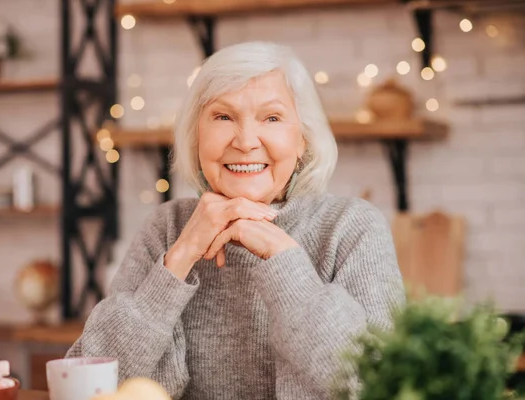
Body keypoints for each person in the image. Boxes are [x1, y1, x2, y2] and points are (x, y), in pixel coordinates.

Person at [66, 41, 405, 399]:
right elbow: (88, 380)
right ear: (197, 136)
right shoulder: (165, 229)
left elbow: (379, 383)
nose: (245, 142)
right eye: (223, 117)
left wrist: (283, 260)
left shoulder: (352, 227)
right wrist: (178, 260)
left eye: (271, 118)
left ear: (302, 138)